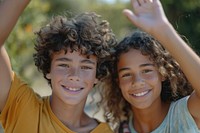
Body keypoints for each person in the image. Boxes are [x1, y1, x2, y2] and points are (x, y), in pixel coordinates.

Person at [0, 0, 116, 132]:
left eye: (86, 67)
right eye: (64, 65)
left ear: (97, 75)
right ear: (48, 68)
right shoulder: (22, 108)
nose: (74, 76)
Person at [102, 0, 200, 132]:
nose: (137, 82)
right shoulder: (121, 129)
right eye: (126, 74)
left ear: (163, 73)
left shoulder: (184, 114)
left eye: (146, 70)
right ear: (117, 81)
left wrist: (163, 29)